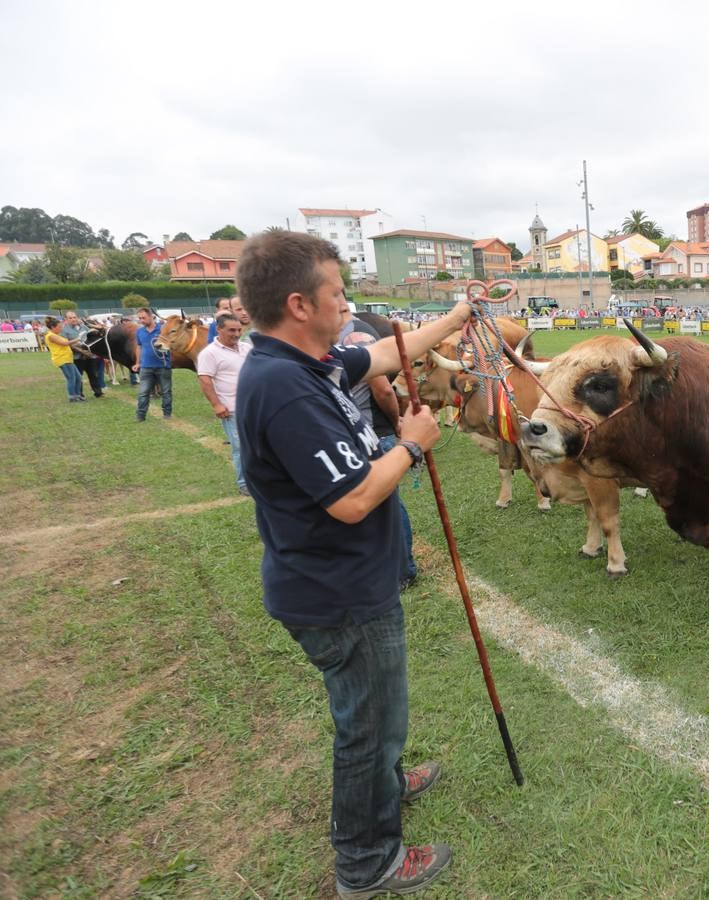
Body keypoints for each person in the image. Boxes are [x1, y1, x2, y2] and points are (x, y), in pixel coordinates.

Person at [234, 231, 475, 898]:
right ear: (298, 304)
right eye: (337, 293)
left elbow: (373, 356)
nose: (347, 303)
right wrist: (413, 445)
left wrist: (455, 319)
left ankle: (387, 785)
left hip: (342, 581)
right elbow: (352, 499)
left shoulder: (306, 362)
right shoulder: (283, 387)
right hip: (336, 592)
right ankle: (368, 863)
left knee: (378, 715)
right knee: (367, 725)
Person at [339, 303, 417, 589]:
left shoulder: (355, 334)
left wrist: (396, 423)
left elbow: (382, 388)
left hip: (372, 429)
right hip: (353, 431)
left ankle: (403, 571)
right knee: (369, 500)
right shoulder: (332, 335)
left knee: (386, 502)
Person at [196, 313, 252, 493]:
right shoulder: (209, 353)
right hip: (232, 408)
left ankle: (260, 479)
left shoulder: (246, 348)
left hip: (253, 406)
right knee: (240, 447)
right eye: (231, 330)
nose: (236, 334)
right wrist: (217, 405)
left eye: (238, 330)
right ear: (219, 329)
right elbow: (205, 380)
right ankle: (244, 484)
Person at [132, 307, 173, 420]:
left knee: (166, 391)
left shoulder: (163, 330)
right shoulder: (140, 331)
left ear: (151, 317)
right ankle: (140, 416)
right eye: (139, 318)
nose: (141, 320)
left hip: (163, 366)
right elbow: (139, 347)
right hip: (146, 367)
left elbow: (171, 345)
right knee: (143, 392)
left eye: (143, 318)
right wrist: (137, 363)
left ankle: (167, 414)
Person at [63, 310, 104, 398]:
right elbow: (67, 344)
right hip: (77, 357)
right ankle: (79, 394)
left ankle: (98, 392)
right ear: (66, 319)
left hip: (89, 356)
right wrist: (82, 351)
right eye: (70, 318)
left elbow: (92, 337)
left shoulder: (84, 327)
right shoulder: (64, 330)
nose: (73, 319)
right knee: (78, 376)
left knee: (93, 374)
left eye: (74, 317)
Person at [43, 316, 84, 402]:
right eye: (59, 327)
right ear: (52, 327)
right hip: (62, 359)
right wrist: (78, 339)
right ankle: (72, 397)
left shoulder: (56, 335)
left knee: (78, 377)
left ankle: (77, 395)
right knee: (71, 378)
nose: (61, 328)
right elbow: (65, 343)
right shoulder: (50, 336)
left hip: (68, 359)